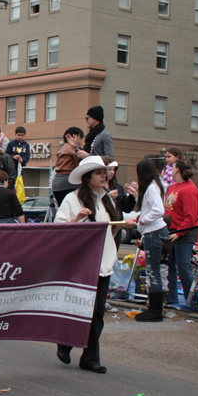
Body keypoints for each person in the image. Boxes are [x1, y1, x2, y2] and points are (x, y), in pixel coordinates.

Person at [54, 156, 124, 373]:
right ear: (87, 177)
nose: (104, 176)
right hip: (80, 263)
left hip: (102, 263)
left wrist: (122, 225)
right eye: (99, 173)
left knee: (97, 312)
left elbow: (110, 231)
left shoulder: (107, 199)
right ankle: (65, 343)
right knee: (77, 307)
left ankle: (90, 357)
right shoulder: (71, 199)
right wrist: (77, 219)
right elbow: (58, 230)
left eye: (105, 172)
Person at [125, 159, 169, 322]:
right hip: (156, 230)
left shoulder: (150, 187)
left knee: (153, 270)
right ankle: (155, 309)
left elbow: (158, 210)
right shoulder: (157, 185)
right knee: (154, 269)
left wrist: (143, 220)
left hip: (154, 231)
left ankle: (155, 311)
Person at [164, 160, 198, 306]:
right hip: (173, 231)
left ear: (178, 170)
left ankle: (192, 302)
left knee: (183, 265)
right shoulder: (173, 187)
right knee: (170, 265)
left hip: (185, 233)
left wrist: (179, 233)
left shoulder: (189, 190)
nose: (171, 170)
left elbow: (191, 217)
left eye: (173, 167)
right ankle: (172, 298)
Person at [52, 127, 85, 206]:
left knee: (64, 210)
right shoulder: (72, 149)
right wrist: (77, 148)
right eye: (81, 137)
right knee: (75, 210)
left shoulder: (63, 148)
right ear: (75, 136)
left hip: (57, 184)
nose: (82, 140)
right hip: (69, 183)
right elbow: (78, 166)